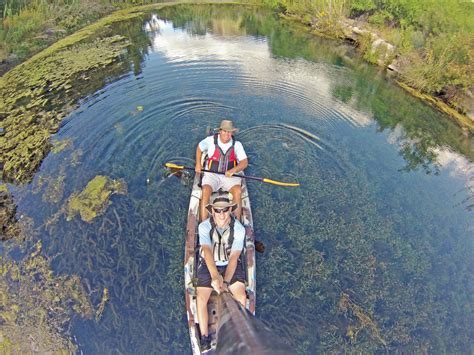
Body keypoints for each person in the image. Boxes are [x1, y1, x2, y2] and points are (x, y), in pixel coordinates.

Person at [196, 192, 247, 351]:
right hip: (208, 264)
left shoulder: (238, 229)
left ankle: (238, 334)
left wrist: (225, 281)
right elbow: (207, 251)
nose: (222, 214)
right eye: (217, 210)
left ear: (230, 209)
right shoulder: (204, 227)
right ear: (212, 211)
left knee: (241, 296)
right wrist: (215, 276)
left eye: (225, 210)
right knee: (200, 298)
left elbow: (234, 257)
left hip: (230, 264)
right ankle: (204, 337)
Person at [195, 120, 248, 221]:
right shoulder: (210, 140)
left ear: (232, 133)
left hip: (230, 176)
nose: (227, 134)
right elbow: (199, 148)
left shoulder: (237, 145)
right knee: (205, 190)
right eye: (225, 131)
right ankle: (203, 223)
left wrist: (233, 170)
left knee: (237, 191)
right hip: (212, 174)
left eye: (229, 132)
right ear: (220, 131)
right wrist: (198, 164)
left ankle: (235, 222)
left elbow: (244, 162)